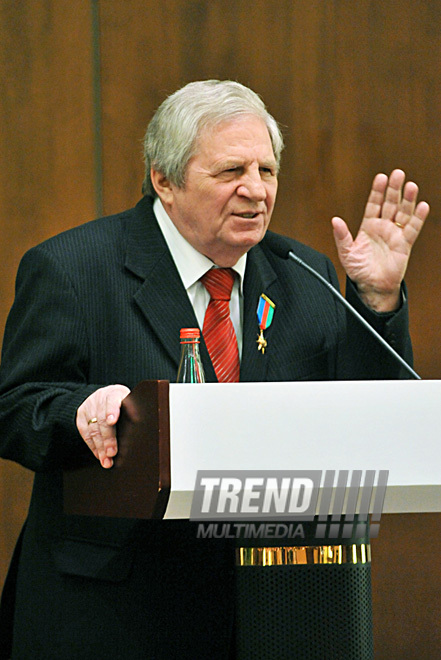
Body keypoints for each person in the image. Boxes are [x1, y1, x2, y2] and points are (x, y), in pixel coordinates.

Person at [0, 80, 429, 659]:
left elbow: (370, 420)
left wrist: (377, 300)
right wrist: (81, 412)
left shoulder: (304, 271)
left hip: (277, 608)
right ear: (164, 179)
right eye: (231, 171)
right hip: (116, 612)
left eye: (267, 171)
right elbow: (17, 407)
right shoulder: (73, 269)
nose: (255, 191)